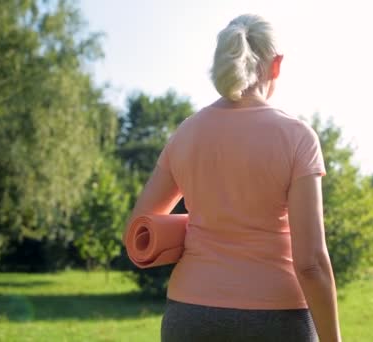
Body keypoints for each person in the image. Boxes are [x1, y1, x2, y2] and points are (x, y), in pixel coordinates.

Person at [124, 14, 341, 342]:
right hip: (277, 317)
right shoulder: (297, 137)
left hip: (190, 313)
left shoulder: (186, 133)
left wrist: (201, 222)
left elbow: (139, 227)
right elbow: (310, 263)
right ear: (276, 65)